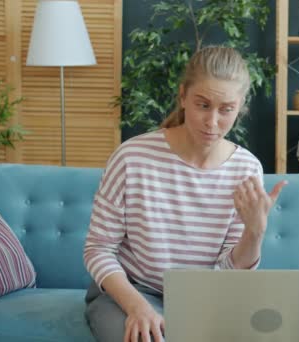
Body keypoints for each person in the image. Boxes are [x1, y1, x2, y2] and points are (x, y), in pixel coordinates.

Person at [83, 46, 287, 342]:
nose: (212, 122)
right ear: (183, 97)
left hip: (206, 300)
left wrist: (255, 233)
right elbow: (98, 249)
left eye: (226, 109)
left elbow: (227, 274)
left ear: (240, 106)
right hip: (130, 293)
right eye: (202, 105)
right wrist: (138, 307)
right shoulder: (132, 157)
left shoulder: (246, 169)